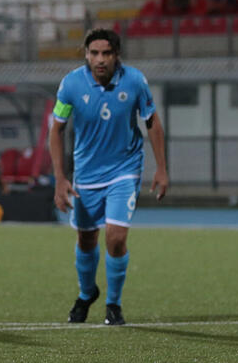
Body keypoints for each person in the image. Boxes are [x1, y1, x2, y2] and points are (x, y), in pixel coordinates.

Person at [50, 28, 169, 326]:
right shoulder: (71, 85)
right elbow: (57, 129)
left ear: (117, 56)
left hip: (124, 171)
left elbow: (152, 123)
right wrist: (60, 178)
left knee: (116, 238)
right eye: (94, 53)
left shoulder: (135, 81)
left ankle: (113, 305)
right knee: (87, 239)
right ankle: (86, 293)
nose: (99, 59)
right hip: (86, 176)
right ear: (86, 55)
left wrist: (162, 168)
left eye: (106, 53)